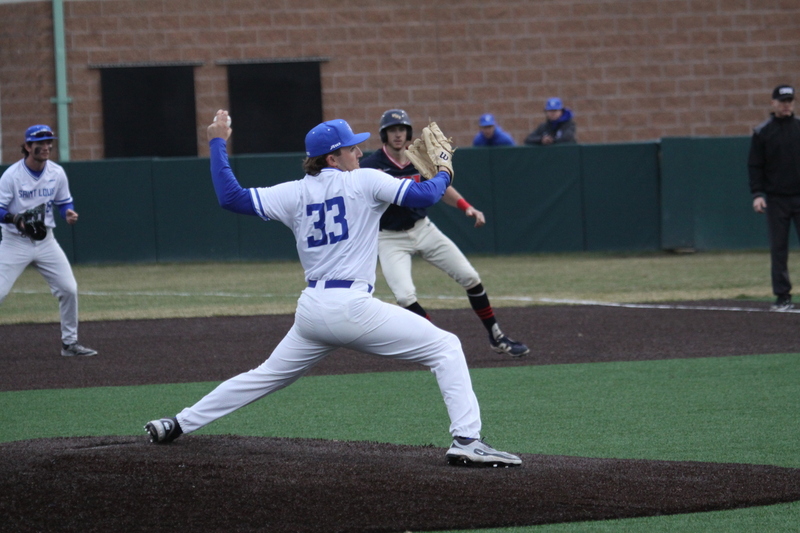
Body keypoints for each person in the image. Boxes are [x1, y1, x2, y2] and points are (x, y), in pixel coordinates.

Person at [144, 111, 521, 468]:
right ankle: (467, 441)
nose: (360, 152)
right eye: (351, 148)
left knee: (263, 376)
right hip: (351, 307)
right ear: (331, 158)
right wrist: (443, 170)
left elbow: (230, 197)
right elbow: (424, 197)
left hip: (313, 310)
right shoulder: (364, 180)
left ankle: (176, 424)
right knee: (446, 347)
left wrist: (216, 144)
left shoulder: (293, 192)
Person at [360, 109, 529, 357]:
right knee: (405, 297)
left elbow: (443, 186)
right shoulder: (371, 165)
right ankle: (438, 343)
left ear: (408, 132)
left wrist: (467, 207)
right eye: (392, 130)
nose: (398, 134)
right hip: (389, 237)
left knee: (470, 277)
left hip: (423, 228)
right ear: (383, 135)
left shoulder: (416, 157)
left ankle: (497, 336)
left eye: (402, 129)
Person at [0, 125, 97, 357]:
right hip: (15, 242)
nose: (45, 146)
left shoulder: (56, 172)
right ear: (27, 146)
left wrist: (68, 213)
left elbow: (64, 202)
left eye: (48, 142)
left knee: (68, 289)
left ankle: (70, 344)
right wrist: (16, 219)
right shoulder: (12, 176)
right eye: (39, 143)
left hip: (46, 242)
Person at [748, 84, 800, 311]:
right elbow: (755, 166)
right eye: (782, 101)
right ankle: (782, 296)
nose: (787, 105)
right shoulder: (763, 132)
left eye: (790, 101)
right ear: (773, 103)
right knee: (778, 249)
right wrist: (757, 194)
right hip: (777, 199)